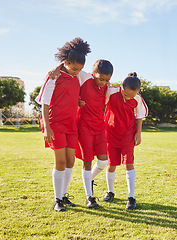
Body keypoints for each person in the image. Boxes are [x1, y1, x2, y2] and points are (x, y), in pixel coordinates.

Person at [35, 37, 91, 212]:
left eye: (80, 69)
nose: (77, 72)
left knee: (70, 161)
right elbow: (44, 103)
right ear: (65, 62)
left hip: (71, 124)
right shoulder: (53, 77)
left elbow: (94, 76)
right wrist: (47, 128)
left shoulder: (78, 75)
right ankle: (57, 200)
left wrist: (78, 101)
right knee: (60, 162)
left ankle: (64, 196)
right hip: (54, 123)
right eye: (74, 68)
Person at [49, 60, 113, 208]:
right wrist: (56, 67)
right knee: (87, 162)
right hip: (83, 127)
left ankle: (89, 179)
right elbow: (70, 66)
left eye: (107, 80)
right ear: (93, 74)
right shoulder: (85, 78)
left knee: (103, 161)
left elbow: (124, 90)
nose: (103, 82)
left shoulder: (109, 88)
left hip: (99, 127)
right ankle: (89, 197)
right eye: (101, 79)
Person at [102, 72, 148, 210]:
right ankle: (110, 192)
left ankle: (131, 197)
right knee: (111, 164)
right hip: (110, 134)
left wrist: (138, 133)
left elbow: (139, 116)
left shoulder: (137, 99)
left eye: (132, 96)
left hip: (128, 134)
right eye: (126, 94)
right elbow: (97, 98)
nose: (128, 98)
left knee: (129, 163)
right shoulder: (111, 92)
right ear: (121, 86)